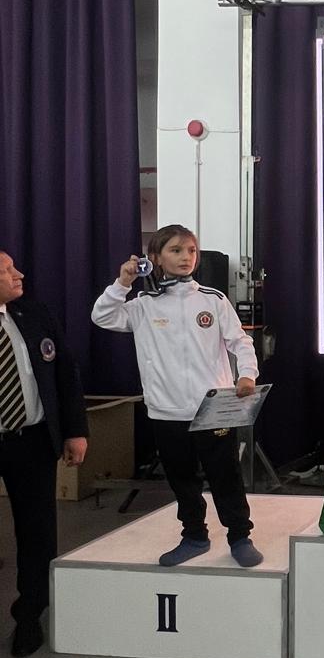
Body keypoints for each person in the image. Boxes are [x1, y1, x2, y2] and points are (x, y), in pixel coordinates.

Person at [92, 224, 262, 568]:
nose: (186, 257)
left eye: (191, 251)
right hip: (166, 410)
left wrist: (247, 374)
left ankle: (240, 536)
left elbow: (240, 341)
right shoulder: (142, 305)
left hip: (213, 407)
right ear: (155, 258)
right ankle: (195, 535)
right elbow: (102, 316)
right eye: (176, 250)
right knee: (182, 479)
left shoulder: (213, 299)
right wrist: (122, 282)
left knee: (226, 475)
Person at [0, 252, 89, 657]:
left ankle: (30, 613)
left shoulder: (35, 315)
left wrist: (75, 431)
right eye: (7, 270)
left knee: (36, 530)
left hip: (32, 440)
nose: (19, 274)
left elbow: (65, 374)